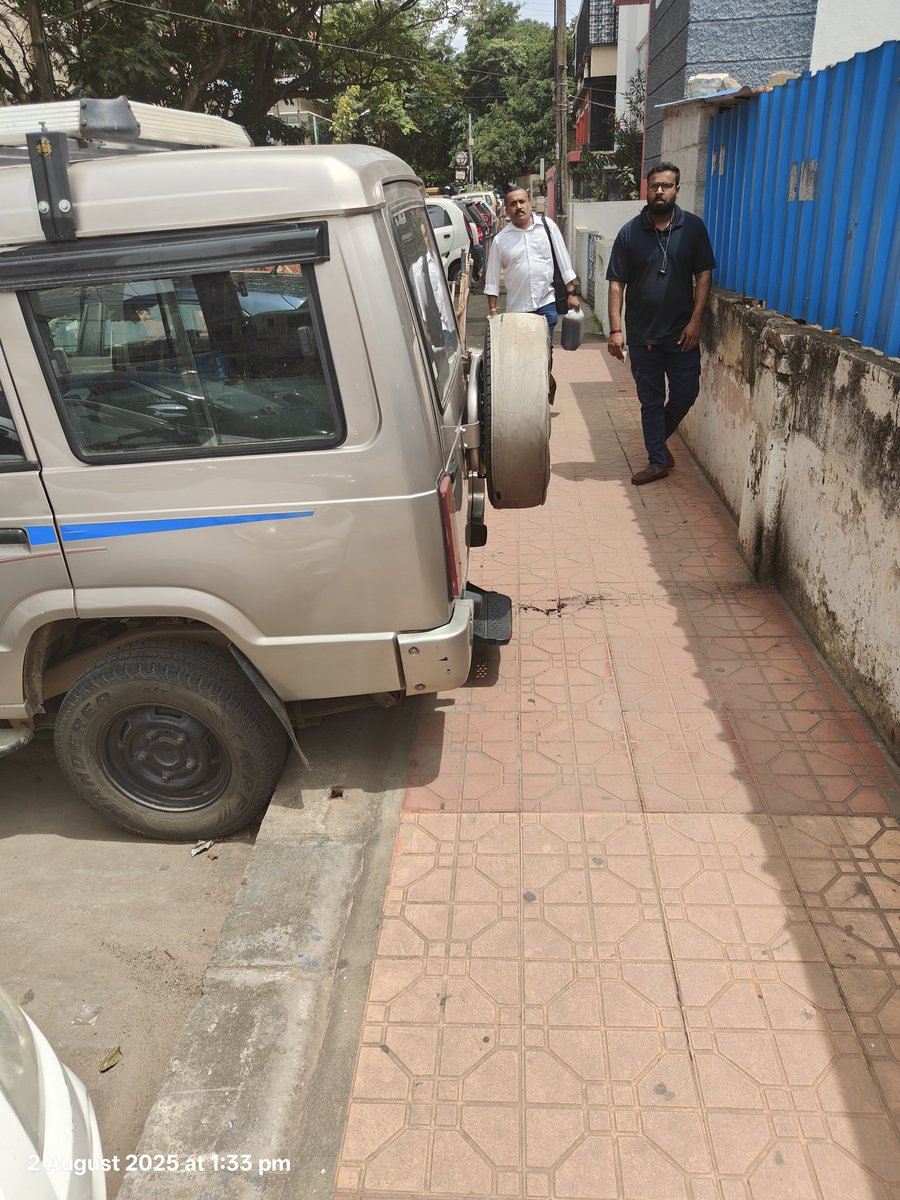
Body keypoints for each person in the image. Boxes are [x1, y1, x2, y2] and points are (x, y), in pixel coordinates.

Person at [606, 161, 716, 485]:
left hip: (683, 335)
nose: (659, 191)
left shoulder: (694, 229)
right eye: (654, 185)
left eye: (666, 186)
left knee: (686, 392)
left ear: (677, 190)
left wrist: (697, 322)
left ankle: (657, 440)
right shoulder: (629, 233)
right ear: (647, 189)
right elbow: (616, 283)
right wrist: (616, 330)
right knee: (651, 401)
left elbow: (704, 275)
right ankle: (657, 460)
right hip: (643, 336)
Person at [483, 188, 579, 399]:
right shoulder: (501, 240)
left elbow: (563, 261)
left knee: (544, 353)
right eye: (513, 204)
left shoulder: (547, 227)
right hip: (518, 309)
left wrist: (572, 292)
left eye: (522, 202)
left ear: (529, 203)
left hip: (546, 302)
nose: (518, 207)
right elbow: (491, 279)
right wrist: (492, 309)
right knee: (522, 356)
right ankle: (540, 389)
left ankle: (543, 387)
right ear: (506, 210)